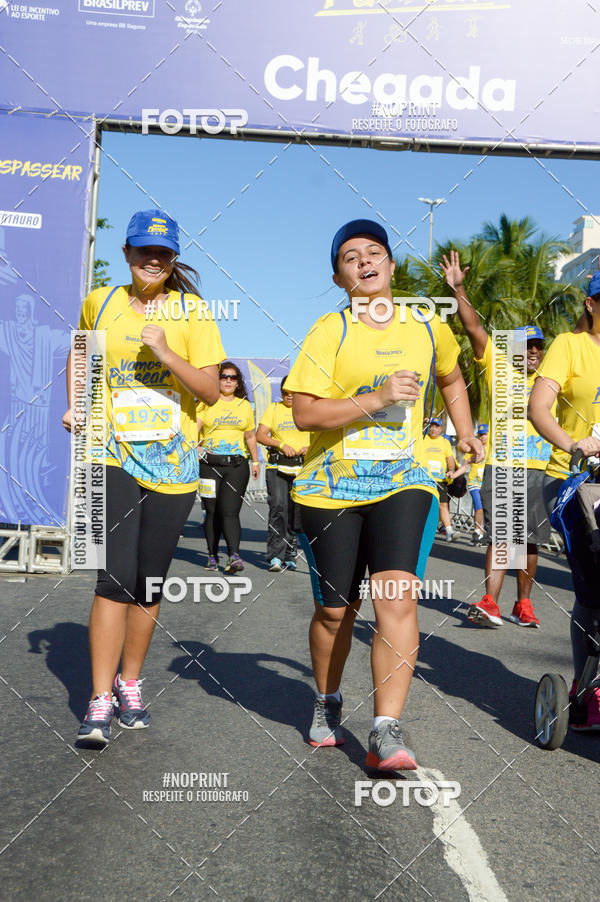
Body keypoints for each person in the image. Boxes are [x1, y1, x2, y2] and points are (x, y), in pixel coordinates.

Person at [286, 219, 483, 770]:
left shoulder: (425, 326)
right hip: (331, 487)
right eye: (351, 257)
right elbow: (304, 414)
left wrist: (464, 429)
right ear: (338, 276)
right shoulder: (330, 331)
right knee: (334, 612)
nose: (365, 262)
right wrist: (374, 397)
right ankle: (326, 702)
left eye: (375, 253)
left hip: (405, 478)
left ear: (392, 266)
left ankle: (385, 730)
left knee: (396, 597)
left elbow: (451, 378)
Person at [63, 209, 225, 745]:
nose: (152, 260)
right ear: (128, 254)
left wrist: (164, 352)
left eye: (162, 253)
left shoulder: (193, 312)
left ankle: (130, 682)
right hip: (111, 454)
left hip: (173, 463)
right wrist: (77, 407)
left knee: (149, 582)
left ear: (173, 259)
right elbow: (80, 353)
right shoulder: (102, 302)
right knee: (114, 575)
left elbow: (208, 389)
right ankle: (99, 699)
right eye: (142, 251)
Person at [442, 250, 553, 628]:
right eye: (529, 346)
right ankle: (490, 601)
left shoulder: (553, 382)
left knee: (532, 542)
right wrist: (459, 289)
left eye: (539, 347)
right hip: (504, 464)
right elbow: (474, 328)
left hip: (540, 467)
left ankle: (524, 605)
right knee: (502, 538)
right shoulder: (498, 369)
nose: (535, 352)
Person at [529, 271, 600, 729]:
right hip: (579, 482)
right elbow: (539, 407)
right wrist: (573, 443)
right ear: (592, 304)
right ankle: (588, 686)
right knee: (595, 589)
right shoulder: (570, 347)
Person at [197, 361, 260, 572]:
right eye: (224, 376)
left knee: (230, 511)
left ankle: (234, 556)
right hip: (208, 466)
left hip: (236, 466)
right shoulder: (205, 403)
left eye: (233, 377)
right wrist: (192, 448)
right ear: (217, 379)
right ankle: (212, 555)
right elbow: (194, 432)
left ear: (238, 382)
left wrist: (256, 461)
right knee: (212, 511)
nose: (228, 380)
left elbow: (250, 436)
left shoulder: (244, 406)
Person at [256, 377, 310, 571]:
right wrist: (280, 445)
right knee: (278, 507)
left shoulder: (309, 410)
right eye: (285, 392)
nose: (289, 396)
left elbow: (323, 433)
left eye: (293, 392)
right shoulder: (274, 409)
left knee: (297, 513)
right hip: (278, 467)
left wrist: (310, 446)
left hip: (303, 468)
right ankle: (275, 557)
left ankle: (290, 553)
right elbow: (260, 435)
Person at [422, 416, 468, 542]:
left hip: (440, 479)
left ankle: (449, 531)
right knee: (423, 504)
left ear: (441, 429)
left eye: (436, 427)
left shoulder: (444, 442)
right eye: (431, 426)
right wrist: (423, 422)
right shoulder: (423, 438)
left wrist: (451, 470)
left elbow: (450, 459)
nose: (433, 429)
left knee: (443, 504)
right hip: (424, 479)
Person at [465, 424, 489, 544]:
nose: (483, 437)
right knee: (478, 506)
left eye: (485, 434)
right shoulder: (473, 447)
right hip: (474, 482)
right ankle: (477, 532)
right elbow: (466, 464)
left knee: (487, 508)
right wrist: (454, 474)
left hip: (487, 482)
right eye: (480, 434)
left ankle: (486, 533)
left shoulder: (493, 447)